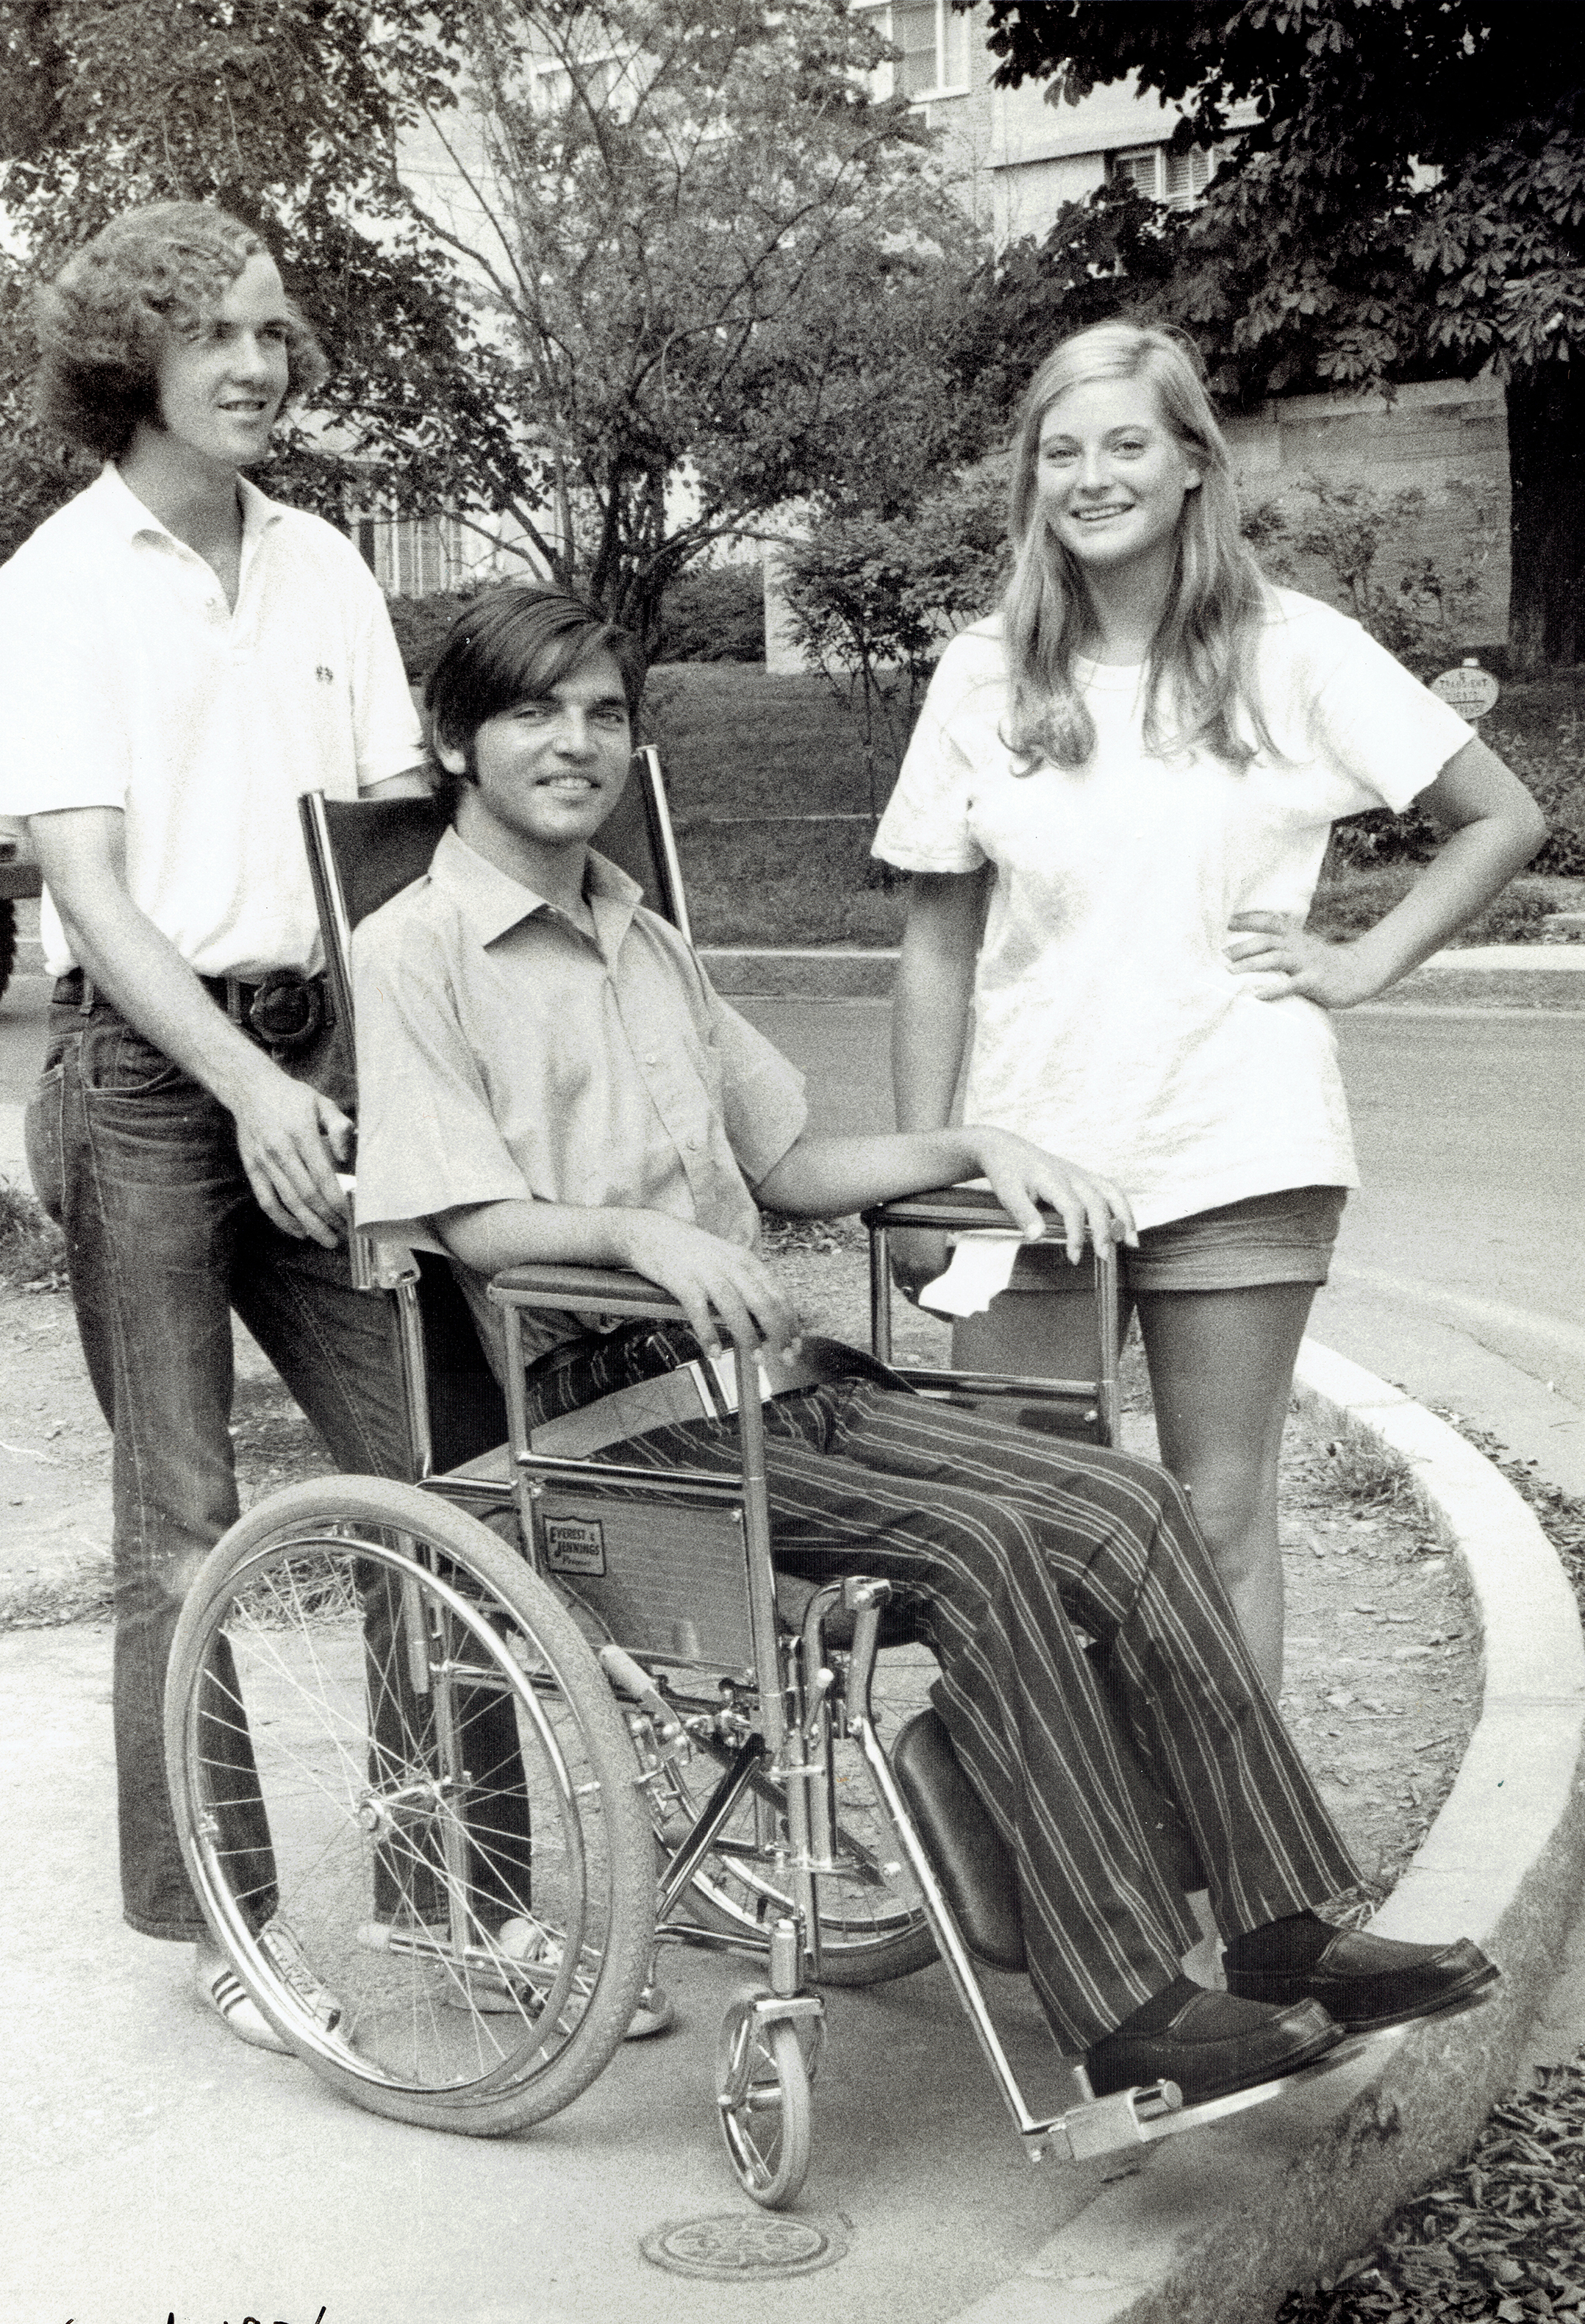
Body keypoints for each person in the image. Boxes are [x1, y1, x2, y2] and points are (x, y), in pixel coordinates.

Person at [345, 581, 1498, 2106]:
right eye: (532, 713)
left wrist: (975, 1141)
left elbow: (789, 1165)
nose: (576, 744)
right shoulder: (412, 950)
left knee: (1130, 1504)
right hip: (614, 1441)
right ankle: (1120, 2006)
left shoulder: (637, 932)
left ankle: (1279, 1935)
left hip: (770, 1398)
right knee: (987, 1543)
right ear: (453, 741)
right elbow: (477, 1228)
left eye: (604, 715)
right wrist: (637, 1236)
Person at [874, 321, 1545, 1694]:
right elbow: (936, 944)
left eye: (1127, 443)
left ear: (1193, 462)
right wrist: (921, 1170)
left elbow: (1500, 816)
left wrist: (1360, 961)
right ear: (1032, 480)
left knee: (1219, 1514)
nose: (1093, 477)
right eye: (1062, 451)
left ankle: (1238, 1891)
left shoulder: (1295, 650)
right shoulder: (982, 672)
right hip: (1030, 1168)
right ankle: (1061, 1878)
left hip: (1235, 1145)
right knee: (1024, 1530)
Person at [0, 202, 443, 2051]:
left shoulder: (321, 563)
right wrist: (243, 1086)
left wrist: (361, 1086)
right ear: (132, 365)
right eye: (218, 336)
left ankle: (454, 1883)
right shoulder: (56, 585)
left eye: (275, 333)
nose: (261, 364)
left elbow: (388, 844)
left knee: (434, 1472)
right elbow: (87, 892)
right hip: (150, 1088)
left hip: (325, 1066)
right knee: (185, 1520)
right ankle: (224, 1924)